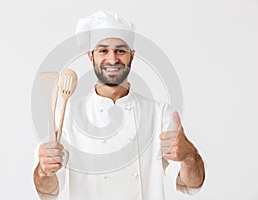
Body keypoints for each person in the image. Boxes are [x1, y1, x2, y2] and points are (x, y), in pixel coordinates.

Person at [33, 10, 205, 200]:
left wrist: (189, 156)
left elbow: (193, 183)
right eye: (103, 50)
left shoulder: (159, 114)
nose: (113, 59)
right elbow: (48, 190)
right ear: (91, 56)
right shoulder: (66, 116)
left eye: (120, 51)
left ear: (132, 55)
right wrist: (44, 171)